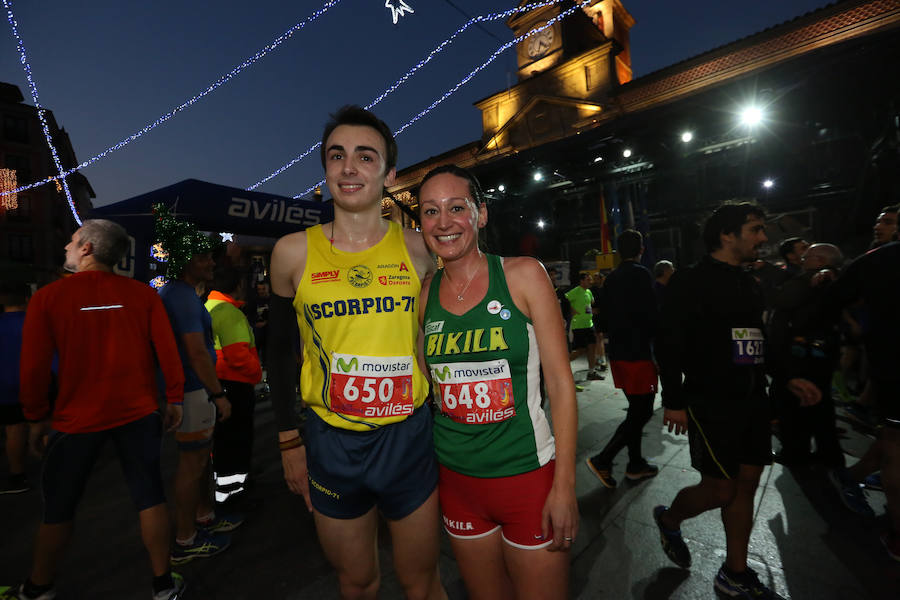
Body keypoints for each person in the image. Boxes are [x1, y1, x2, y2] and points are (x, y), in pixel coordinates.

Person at [267, 105, 446, 600]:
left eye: (365, 157)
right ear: (324, 171)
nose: (349, 167)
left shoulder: (420, 250)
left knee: (422, 582)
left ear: (388, 174)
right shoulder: (291, 253)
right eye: (336, 156)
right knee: (357, 582)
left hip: (409, 437)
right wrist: (288, 440)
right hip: (331, 443)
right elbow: (280, 354)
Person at [418, 164, 578, 600]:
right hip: (457, 483)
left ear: (481, 214)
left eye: (457, 207)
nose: (444, 222)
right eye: (431, 211)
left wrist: (564, 487)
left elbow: (561, 385)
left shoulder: (523, 275)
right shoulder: (425, 293)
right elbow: (430, 386)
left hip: (527, 478)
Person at [652, 203, 820, 599]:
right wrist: (674, 399)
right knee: (721, 490)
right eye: (756, 229)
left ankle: (734, 571)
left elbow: (758, 338)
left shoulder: (749, 283)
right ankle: (671, 519)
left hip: (752, 400)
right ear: (727, 234)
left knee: (747, 482)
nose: (764, 238)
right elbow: (668, 343)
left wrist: (787, 377)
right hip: (711, 401)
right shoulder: (690, 281)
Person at [15, 220, 187, 600]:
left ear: (88, 248)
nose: (66, 248)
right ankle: (162, 585)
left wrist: (34, 417)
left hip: (76, 419)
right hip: (139, 412)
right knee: (150, 496)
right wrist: (174, 397)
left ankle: (38, 587)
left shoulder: (48, 297)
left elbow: (34, 367)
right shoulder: (143, 296)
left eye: (71, 241)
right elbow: (167, 350)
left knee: (59, 506)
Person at [154, 205, 241, 566]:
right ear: (186, 262)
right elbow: (196, 352)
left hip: (191, 391)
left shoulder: (179, 294)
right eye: (203, 258)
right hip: (193, 391)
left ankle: (203, 517)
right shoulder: (182, 297)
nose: (210, 263)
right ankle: (185, 539)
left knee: (199, 459)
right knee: (190, 466)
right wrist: (218, 395)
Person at [821, 238, 900, 559]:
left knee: (894, 438)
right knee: (896, 442)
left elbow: (835, 297)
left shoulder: (878, 259)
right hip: (894, 364)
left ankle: (851, 477)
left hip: (891, 362)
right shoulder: (881, 259)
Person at [585, 230, 660, 488]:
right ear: (641, 249)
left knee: (636, 410)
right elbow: (652, 316)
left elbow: (602, 320)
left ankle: (636, 463)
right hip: (638, 353)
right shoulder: (641, 274)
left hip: (618, 353)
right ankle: (604, 459)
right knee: (643, 411)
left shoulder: (612, 279)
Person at [768, 243, 846, 470]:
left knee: (794, 404)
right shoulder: (832, 281)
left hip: (800, 354)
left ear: (821, 261)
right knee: (819, 404)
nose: (803, 258)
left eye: (809, 255)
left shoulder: (811, 280)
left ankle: (796, 452)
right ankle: (827, 454)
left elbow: (782, 303)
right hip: (820, 353)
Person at [205, 267, 263, 503]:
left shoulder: (208, 307)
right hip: (236, 387)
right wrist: (258, 372)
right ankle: (232, 497)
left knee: (222, 441)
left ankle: (222, 489)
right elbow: (238, 356)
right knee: (236, 441)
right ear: (238, 285)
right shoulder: (230, 313)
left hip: (217, 385)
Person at [0, 283, 32, 495]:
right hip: (23, 385)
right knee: (18, 429)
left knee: (11, 429)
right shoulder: (32, 323)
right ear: (27, 300)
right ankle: (16, 475)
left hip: (3, 384)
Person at [566, 273, 603, 381]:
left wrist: (591, 311)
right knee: (580, 350)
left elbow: (590, 304)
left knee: (592, 347)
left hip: (589, 324)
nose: (590, 281)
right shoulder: (575, 291)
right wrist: (571, 310)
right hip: (579, 326)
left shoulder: (588, 292)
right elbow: (564, 300)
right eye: (588, 279)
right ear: (581, 281)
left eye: (590, 279)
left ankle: (591, 372)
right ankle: (560, 366)